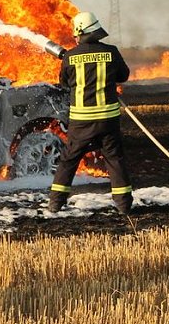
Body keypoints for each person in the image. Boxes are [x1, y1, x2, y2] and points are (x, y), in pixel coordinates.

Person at [48, 11, 134, 214]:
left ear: (79, 32)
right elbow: (123, 75)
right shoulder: (111, 52)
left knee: (69, 160)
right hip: (107, 119)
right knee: (114, 159)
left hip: (81, 121)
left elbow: (65, 83)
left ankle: (55, 203)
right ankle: (123, 205)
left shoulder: (70, 56)